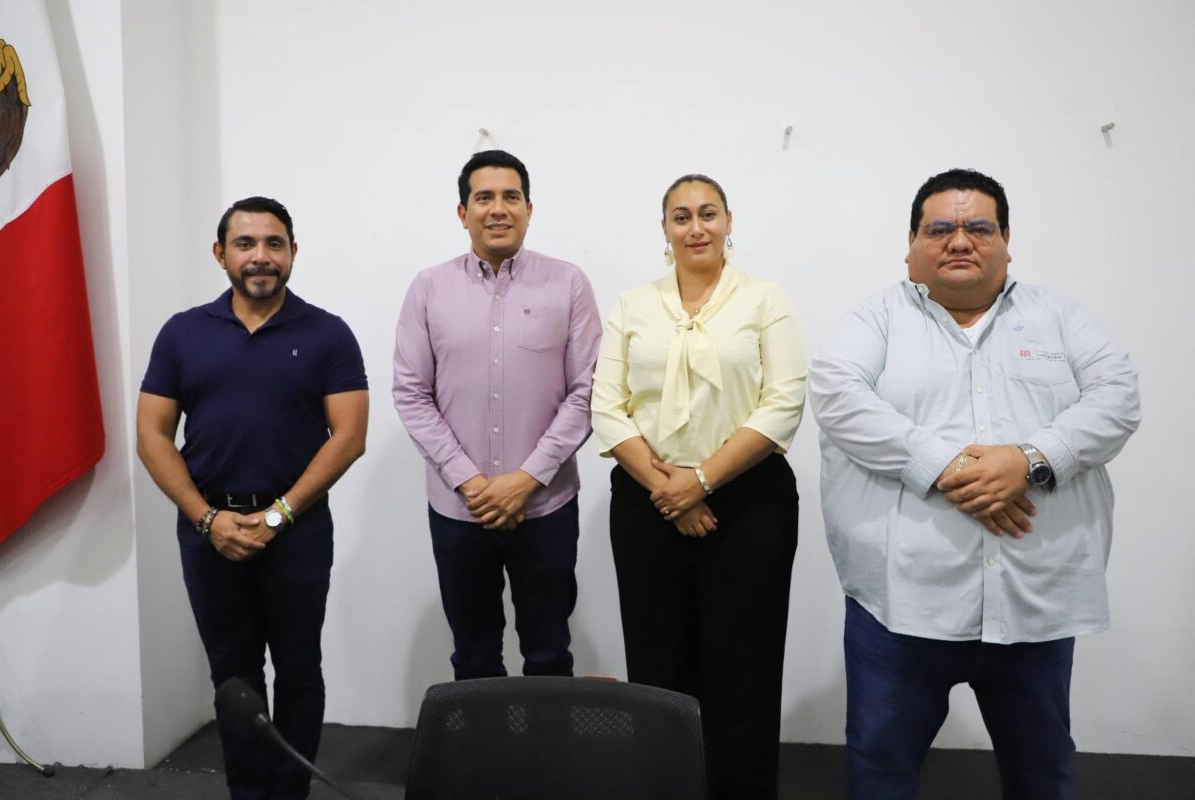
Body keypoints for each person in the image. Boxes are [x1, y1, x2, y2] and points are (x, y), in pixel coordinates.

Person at [810, 168, 1141, 800]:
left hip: (1034, 604)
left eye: (979, 228)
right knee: (881, 773)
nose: (959, 240)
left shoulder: (1059, 317)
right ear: (911, 245)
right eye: (940, 228)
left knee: (1042, 774)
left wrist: (1031, 460)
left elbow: (1117, 398)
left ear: (1006, 242)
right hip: (901, 608)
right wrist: (951, 467)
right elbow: (837, 398)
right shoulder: (875, 319)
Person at [136, 197, 369, 800]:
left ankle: (289, 793)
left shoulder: (328, 333)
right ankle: (250, 794)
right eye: (245, 244)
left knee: (298, 669)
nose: (260, 256)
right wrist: (206, 518)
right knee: (233, 675)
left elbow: (349, 436)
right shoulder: (183, 332)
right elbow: (152, 436)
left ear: (293, 252)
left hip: (298, 529)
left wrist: (278, 515)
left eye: (273, 243)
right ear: (221, 254)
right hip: (208, 529)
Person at [591, 174, 806, 800]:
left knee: (745, 669)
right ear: (664, 229)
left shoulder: (765, 299)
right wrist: (670, 489)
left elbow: (784, 403)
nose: (695, 227)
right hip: (648, 499)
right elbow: (607, 406)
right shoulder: (634, 304)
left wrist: (702, 480)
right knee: (658, 668)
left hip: (750, 502)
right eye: (680, 217)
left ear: (729, 221)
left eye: (708, 214)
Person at [392, 150, 601, 680]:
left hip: (546, 506)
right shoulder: (428, 288)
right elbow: (411, 393)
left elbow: (588, 392)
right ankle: (483, 743)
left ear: (529, 209)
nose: (498, 208)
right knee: (474, 657)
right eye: (483, 197)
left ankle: (545, 742)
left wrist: (526, 480)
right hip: (460, 510)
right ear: (462, 212)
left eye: (511, 196)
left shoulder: (569, 284)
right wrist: (471, 482)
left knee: (549, 653)